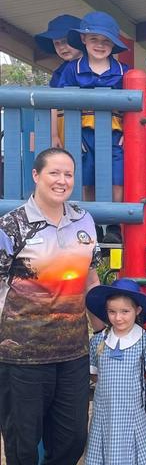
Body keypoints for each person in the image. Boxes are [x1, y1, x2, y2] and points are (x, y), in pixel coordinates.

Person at [0, 147, 103, 465]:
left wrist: (102, 328)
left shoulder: (84, 220)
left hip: (73, 352)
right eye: (54, 173)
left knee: (73, 439)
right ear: (36, 175)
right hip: (21, 355)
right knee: (23, 445)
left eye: (68, 174)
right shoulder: (11, 226)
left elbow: (91, 276)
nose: (62, 180)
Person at [57, 11, 130, 244]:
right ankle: (92, 223)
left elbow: (137, 107)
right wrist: (55, 134)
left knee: (117, 179)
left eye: (106, 40)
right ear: (84, 41)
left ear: (113, 45)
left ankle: (114, 225)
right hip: (81, 133)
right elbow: (56, 101)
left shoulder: (123, 71)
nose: (100, 45)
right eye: (94, 39)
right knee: (87, 179)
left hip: (115, 133)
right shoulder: (72, 69)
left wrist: (130, 134)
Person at [85, 278, 146, 465]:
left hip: (134, 413)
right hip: (105, 412)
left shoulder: (145, 341)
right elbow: (94, 374)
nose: (118, 318)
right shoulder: (98, 342)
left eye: (125, 311)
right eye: (112, 312)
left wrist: (145, 398)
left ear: (137, 311)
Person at [34, 14, 83, 147]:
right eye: (57, 43)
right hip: (66, 130)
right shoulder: (59, 73)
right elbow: (53, 104)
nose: (62, 47)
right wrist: (54, 135)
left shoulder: (95, 67)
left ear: (81, 40)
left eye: (66, 41)